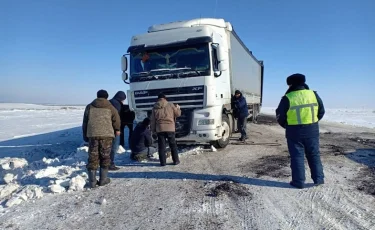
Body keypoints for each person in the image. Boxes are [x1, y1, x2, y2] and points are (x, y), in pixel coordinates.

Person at [276, 73, 325, 189]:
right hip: (312, 130)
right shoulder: (313, 94)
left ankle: (299, 182)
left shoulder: (287, 98)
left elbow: (280, 115)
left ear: (291, 84)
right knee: (314, 155)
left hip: (294, 132)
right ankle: (319, 179)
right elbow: (321, 111)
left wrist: (287, 126)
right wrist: (312, 122)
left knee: (297, 156)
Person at [82, 89, 121, 188]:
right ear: (107, 97)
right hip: (107, 135)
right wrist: (117, 129)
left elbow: (85, 122)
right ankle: (103, 179)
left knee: (93, 157)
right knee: (105, 156)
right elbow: (116, 120)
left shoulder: (89, 107)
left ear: (97, 96)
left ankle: (92, 181)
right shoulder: (111, 107)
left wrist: (85, 135)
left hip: (93, 135)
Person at [150, 93, 181, 166]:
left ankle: (163, 162)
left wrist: (153, 130)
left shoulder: (154, 107)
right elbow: (178, 114)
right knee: (173, 145)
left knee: (161, 146)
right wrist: (178, 108)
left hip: (160, 129)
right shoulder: (171, 105)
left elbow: (153, 120)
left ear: (158, 99)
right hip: (170, 128)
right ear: (165, 98)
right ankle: (176, 160)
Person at [109, 91, 126, 171]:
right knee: (114, 147)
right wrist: (117, 129)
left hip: (106, 128)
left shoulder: (110, 102)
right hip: (112, 128)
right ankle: (110, 164)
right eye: (123, 99)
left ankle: (105, 163)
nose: (123, 101)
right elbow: (116, 118)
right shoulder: (117, 104)